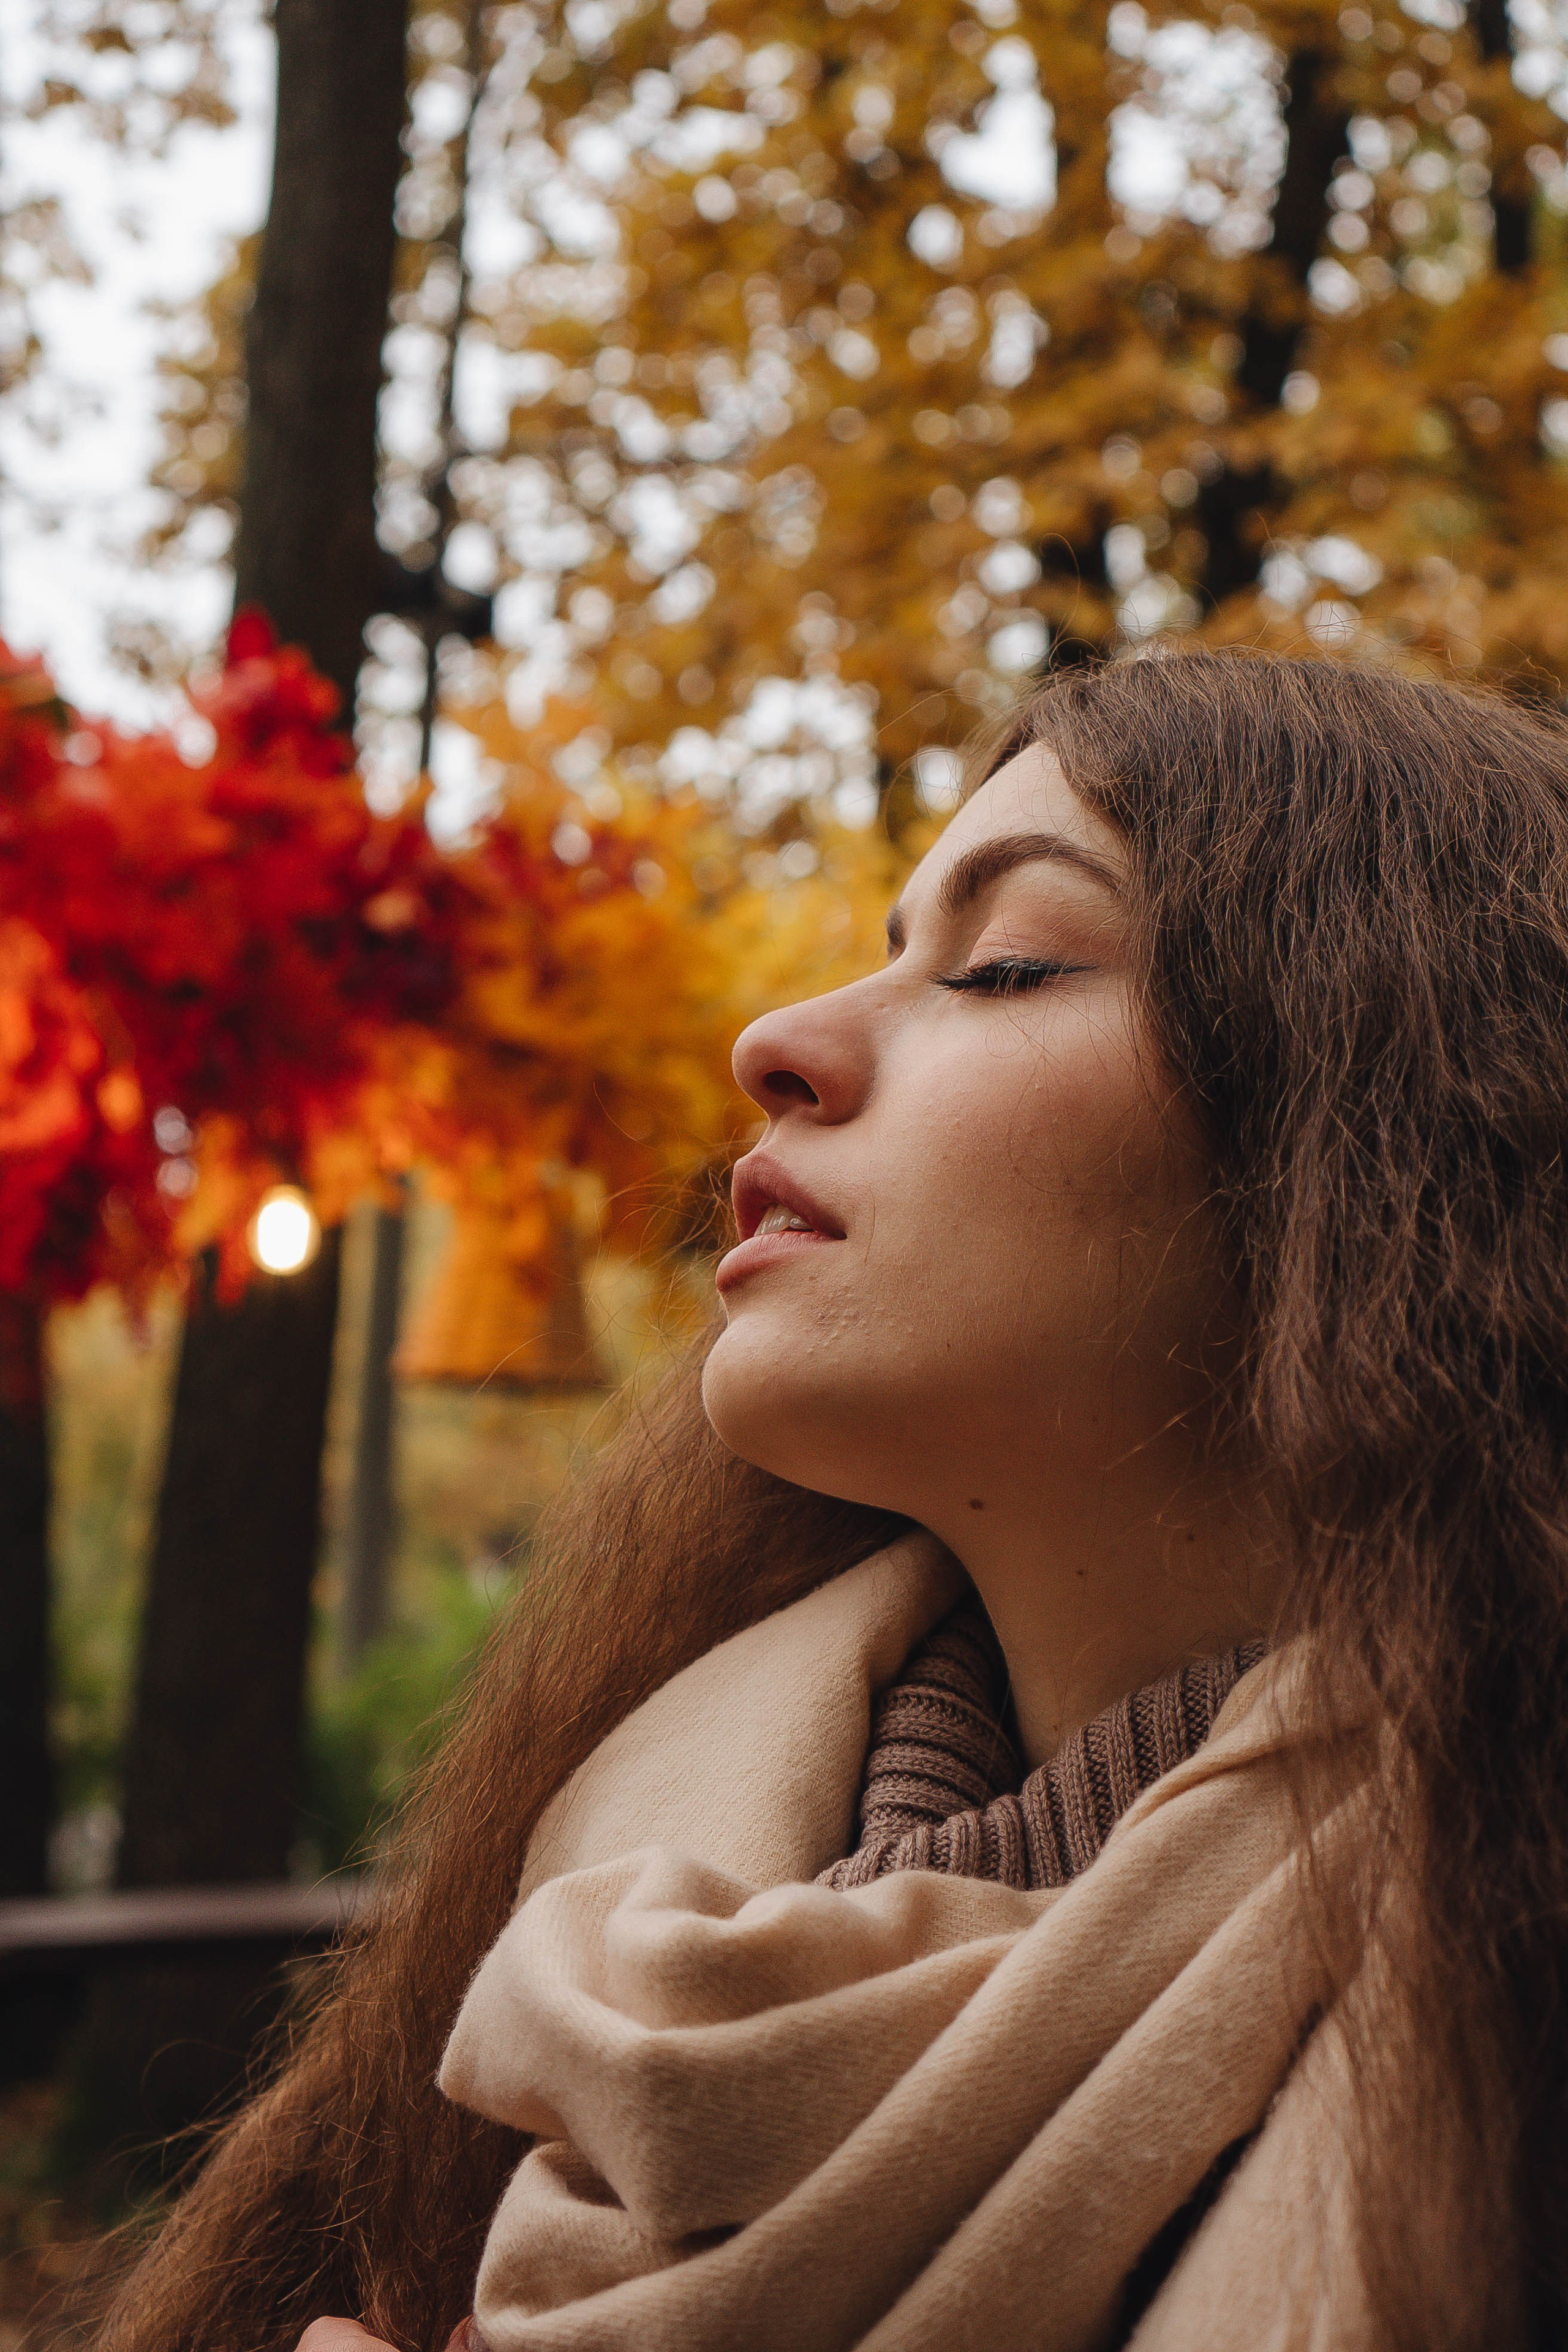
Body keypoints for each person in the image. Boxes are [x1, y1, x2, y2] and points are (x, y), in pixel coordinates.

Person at [97, 652, 1568, 2351]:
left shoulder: (1506, 1981)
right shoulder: (582, 1895)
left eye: (1008, 965)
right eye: (887, 956)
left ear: (1389, 1170)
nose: (774, 1043)